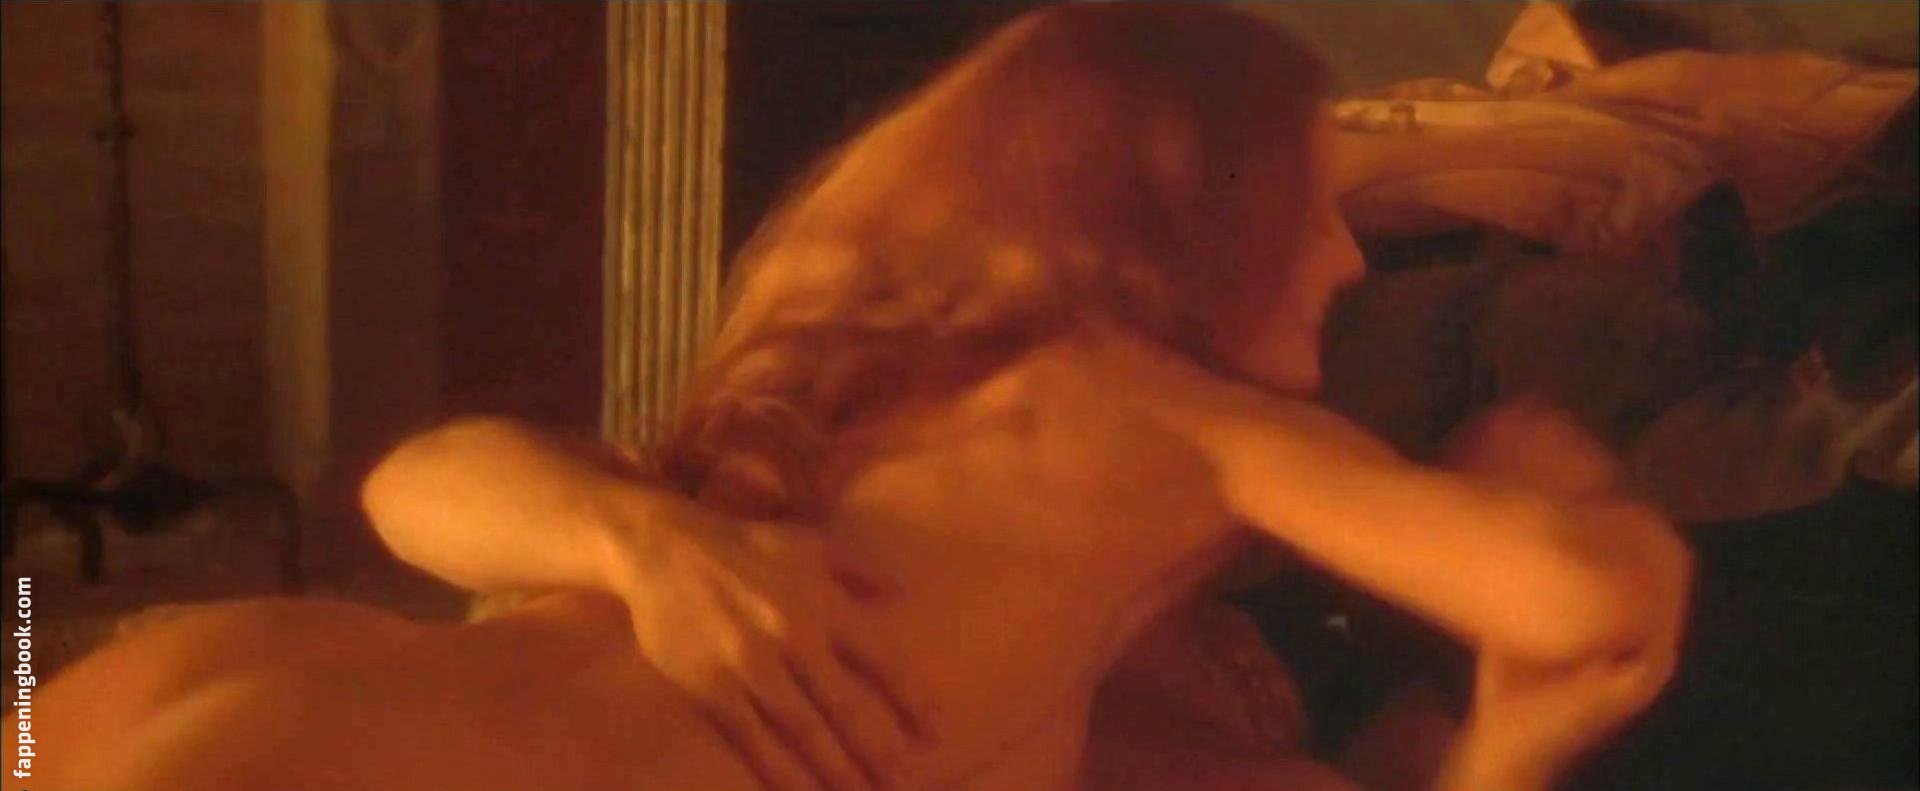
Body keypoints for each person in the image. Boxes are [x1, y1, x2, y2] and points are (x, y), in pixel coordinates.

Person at [6, 7, 1689, 791]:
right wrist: (1558, 494)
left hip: (189, 699)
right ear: (1194, 230)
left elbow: (408, 491)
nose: (1342, 259)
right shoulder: (1141, 414)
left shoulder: (895, 480)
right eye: (1308, 209)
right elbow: (1588, 602)